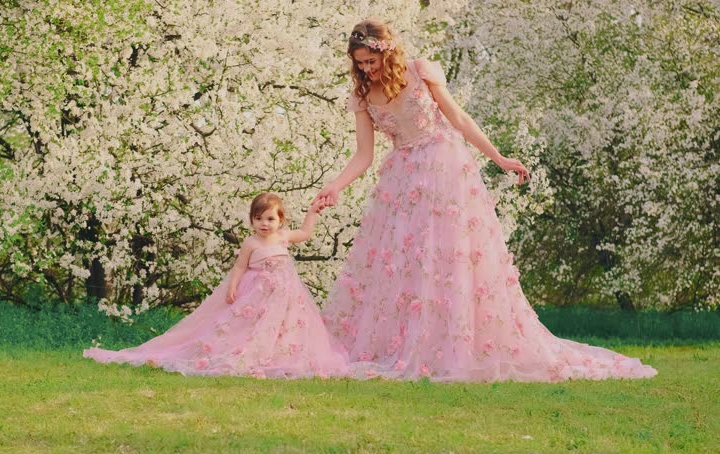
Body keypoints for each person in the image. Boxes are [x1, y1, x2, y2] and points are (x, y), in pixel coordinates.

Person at [314, 18, 657, 382]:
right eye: (361, 63)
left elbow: (459, 119)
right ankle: (410, 344)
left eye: (372, 60)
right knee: (404, 260)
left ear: (388, 51)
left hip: (443, 165)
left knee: (451, 254)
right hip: (401, 177)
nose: (367, 69)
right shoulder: (363, 96)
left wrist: (499, 158)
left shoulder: (420, 71)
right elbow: (363, 155)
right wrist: (335, 186)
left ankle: (457, 343)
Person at [83, 193, 349, 379]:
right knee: (251, 326)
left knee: (286, 326)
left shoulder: (283, 237)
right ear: (251, 221)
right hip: (258, 294)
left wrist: (313, 212)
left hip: (286, 296)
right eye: (259, 219)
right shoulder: (251, 243)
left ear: (280, 221)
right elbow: (240, 267)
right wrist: (232, 287)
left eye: (270, 219)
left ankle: (280, 354)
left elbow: (305, 234)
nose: (264, 224)